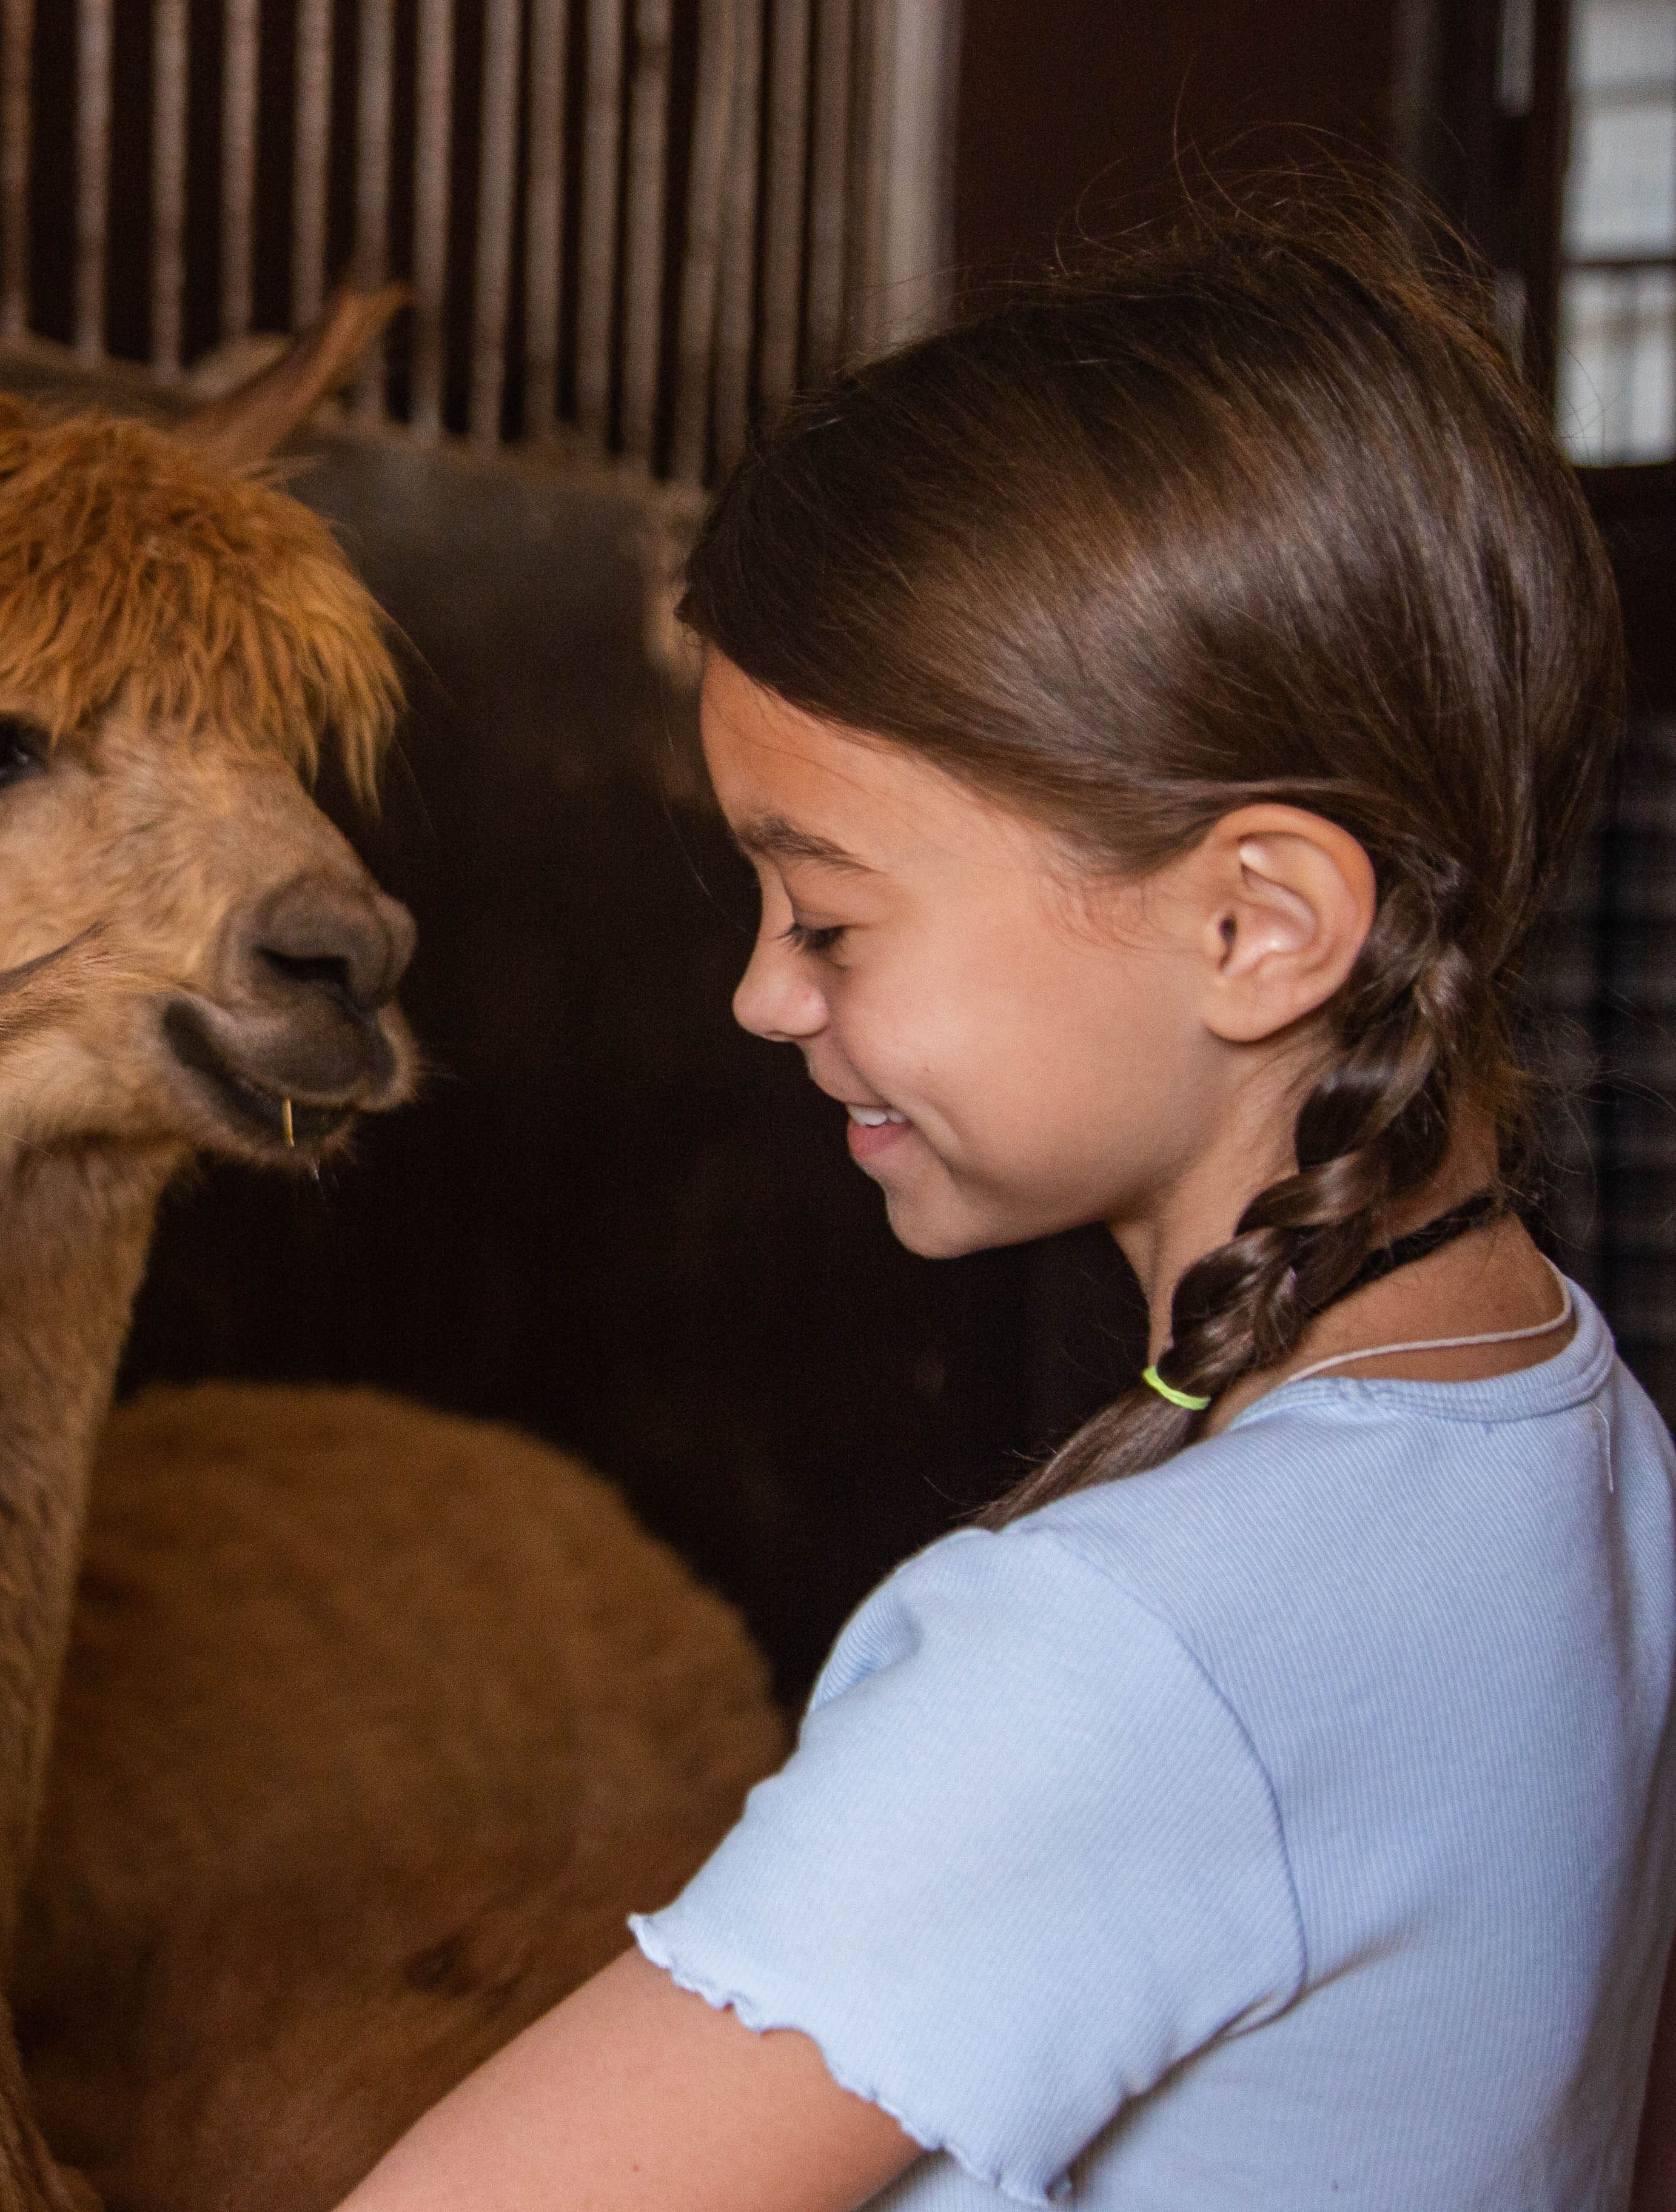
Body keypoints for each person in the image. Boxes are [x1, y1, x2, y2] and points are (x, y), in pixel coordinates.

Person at [335, 205, 1674, 2210]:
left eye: (834, 912)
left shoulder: (1120, 1663)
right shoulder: (1576, 1421)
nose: (766, 992)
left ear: (1256, 925)